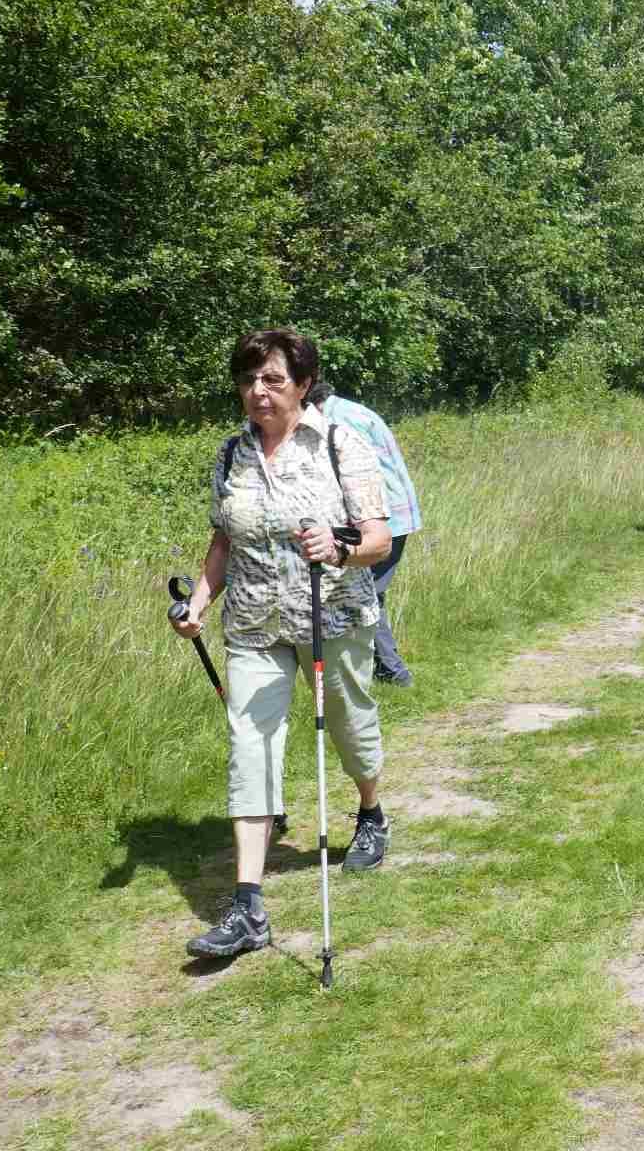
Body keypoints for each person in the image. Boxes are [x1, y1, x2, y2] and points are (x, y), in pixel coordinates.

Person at [168, 329, 394, 959]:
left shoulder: (341, 445)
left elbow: (379, 537)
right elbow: (224, 542)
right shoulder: (230, 454)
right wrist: (199, 604)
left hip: (333, 616)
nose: (257, 392)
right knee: (249, 742)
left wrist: (342, 548)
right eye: (247, 380)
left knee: (351, 726)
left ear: (302, 383)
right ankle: (248, 907)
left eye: (271, 379)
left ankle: (371, 811)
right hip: (253, 623)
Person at [307, 382, 422, 688]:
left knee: (367, 594)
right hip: (396, 515)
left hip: (383, 521)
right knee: (369, 593)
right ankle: (383, 670)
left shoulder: (337, 422)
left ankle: (392, 673)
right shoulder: (351, 410)